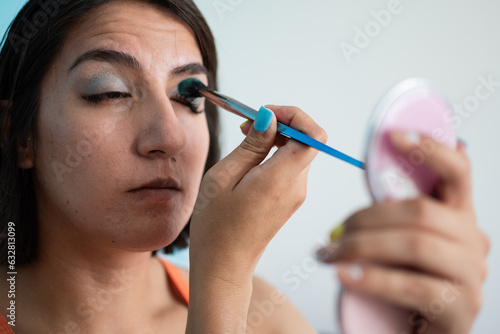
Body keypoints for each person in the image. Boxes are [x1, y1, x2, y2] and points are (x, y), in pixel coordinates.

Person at [0, 1, 489, 333]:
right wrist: (222, 284)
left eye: (189, 97)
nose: (168, 136)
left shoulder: (265, 316)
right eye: (109, 91)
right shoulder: (232, 295)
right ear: (19, 135)